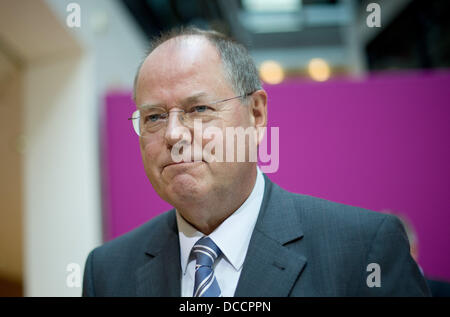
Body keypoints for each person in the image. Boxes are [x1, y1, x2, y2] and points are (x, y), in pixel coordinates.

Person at [82, 27, 430, 297]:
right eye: (154, 117)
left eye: (198, 109)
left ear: (256, 113)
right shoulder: (108, 272)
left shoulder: (363, 250)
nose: (173, 134)